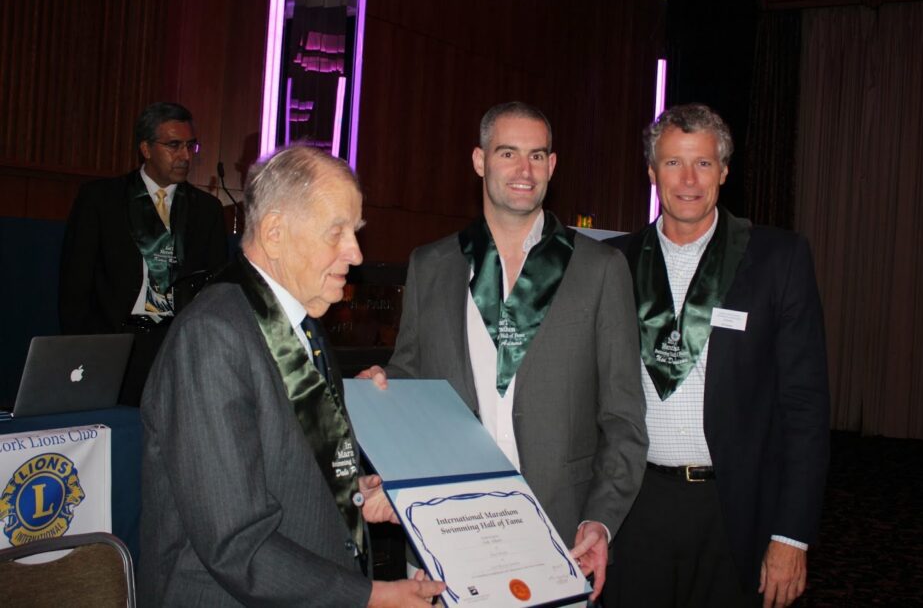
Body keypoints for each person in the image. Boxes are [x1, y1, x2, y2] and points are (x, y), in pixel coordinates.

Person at [362, 102, 648, 601]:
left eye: (537, 156)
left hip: (560, 532)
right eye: (508, 153)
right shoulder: (431, 264)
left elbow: (623, 419)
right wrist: (382, 392)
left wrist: (601, 520)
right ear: (479, 160)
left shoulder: (600, 269)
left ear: (552, 166)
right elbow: (409, 371)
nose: (524, 171)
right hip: (447, 527)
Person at [139, 146, 445, 607]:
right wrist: (373, 597)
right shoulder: (212, 335)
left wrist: (351, 490)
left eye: (355, 231)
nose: (356, 253)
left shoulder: (301, 324)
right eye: (336, 232)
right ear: (275, 233)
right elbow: (236, 543)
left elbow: (280, 470)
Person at [602, 103, 830, 608]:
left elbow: (805, 409)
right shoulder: (612, 262)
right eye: (673, 163)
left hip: (735, 509)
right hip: (635, 506)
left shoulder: (777, 259)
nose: (688, 180)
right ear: (652, 172)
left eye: (703, 163)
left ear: (724, 171)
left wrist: (791, 535)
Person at [58, 102, 227, 405]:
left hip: (178, 348)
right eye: (174, 145)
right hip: (114, 346)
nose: (185, 156)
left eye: (190, 146)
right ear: (146, 149)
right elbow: (75, 284)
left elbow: (216, 289)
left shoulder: (207, 210)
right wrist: (82, 349)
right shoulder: (101, 199)